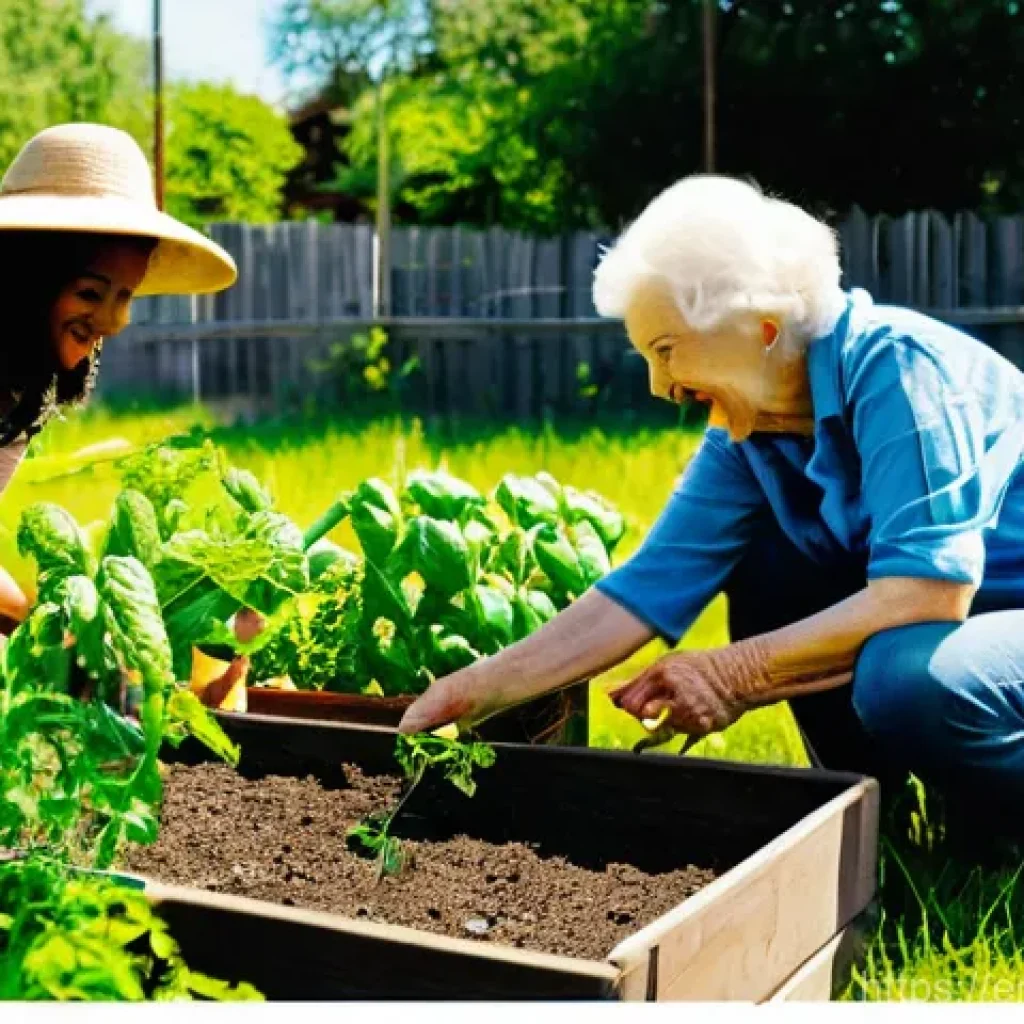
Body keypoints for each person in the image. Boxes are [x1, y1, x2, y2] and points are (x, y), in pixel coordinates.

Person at [398, 174, 1024, 813]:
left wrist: (734, 673)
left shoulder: (896, 366)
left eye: (666, 351)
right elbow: (645, 588)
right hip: (958, 628)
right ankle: (873, 817)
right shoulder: (752, 430)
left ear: (761, 326)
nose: (659, 386)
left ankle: (990, 829)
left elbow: (927, 593)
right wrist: (473, 690)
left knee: (908, 680)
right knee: (771, 566)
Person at [0, 122, 236, 624]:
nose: (110, 321)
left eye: (123, 296)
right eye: (90, 293)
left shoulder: (21, 390)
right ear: (28, 284)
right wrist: (48, 623)